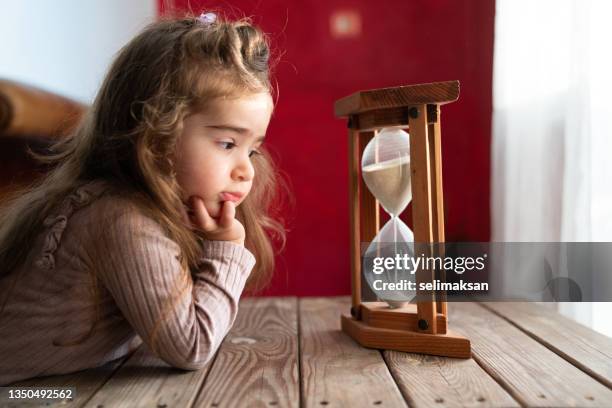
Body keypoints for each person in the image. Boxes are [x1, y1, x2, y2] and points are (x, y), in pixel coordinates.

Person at [0, 11, 286, 385]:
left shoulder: (151, 210)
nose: (245, 170)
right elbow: (191, 346)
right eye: (228, 143)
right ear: (153, 136)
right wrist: (226, 247)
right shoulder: (122, 220)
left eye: (251, 150)